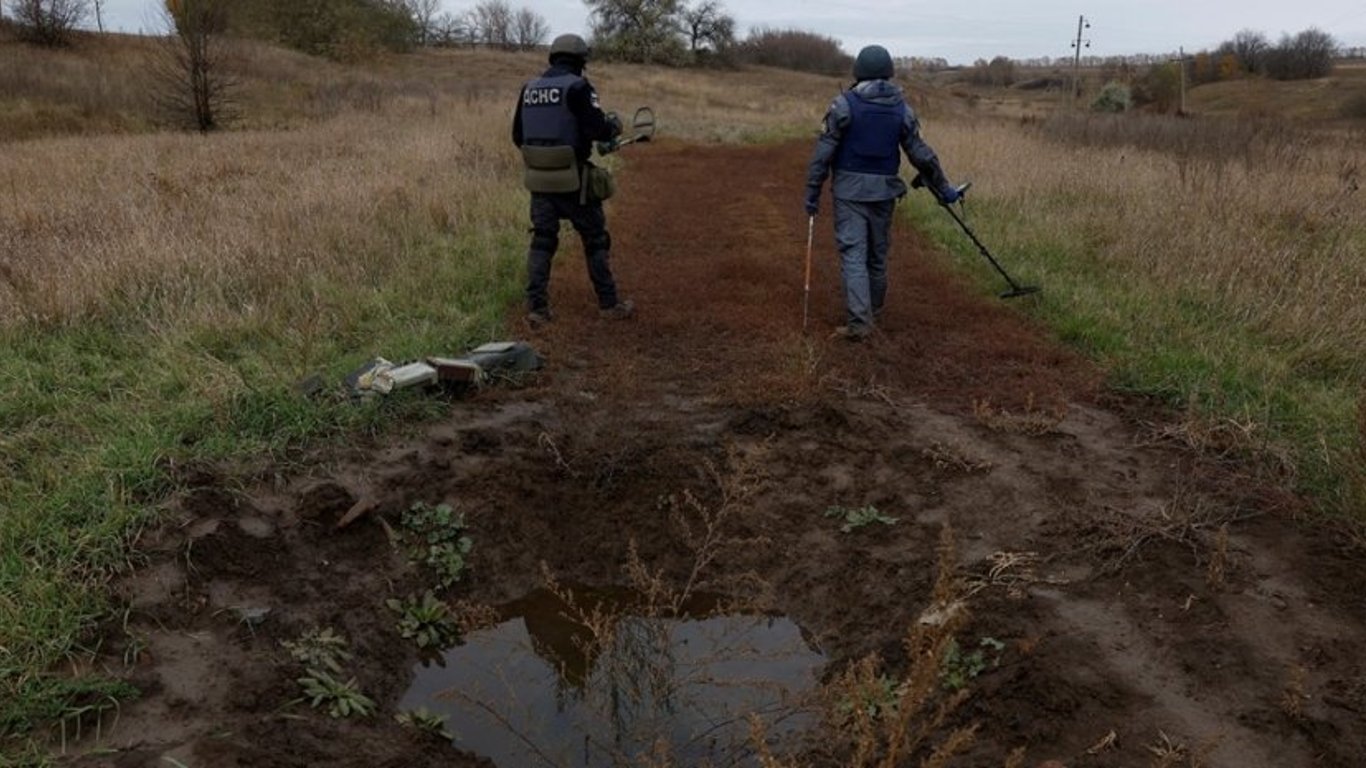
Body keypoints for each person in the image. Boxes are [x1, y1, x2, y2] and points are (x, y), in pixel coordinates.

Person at [804, 45, 961, 341]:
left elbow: (822, 154)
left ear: (858, 71)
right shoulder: (903, 109)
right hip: (884, 193)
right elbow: (922, 155)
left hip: (849, 193)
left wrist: (812, 192)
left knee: (853, 253)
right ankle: (872, 312)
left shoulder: (843, 105)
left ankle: (860, 323)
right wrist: (944, 189)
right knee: (876, 255)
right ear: (889, 72)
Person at [512, 33, 635, 328]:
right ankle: (609, 304)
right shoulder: (579, 87)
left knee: (542, 241)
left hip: (539, 183)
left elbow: (518, 137)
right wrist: (612, 126)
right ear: (581, 60)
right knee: (595, 239)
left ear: (553, 57)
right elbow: (597, 130)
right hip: (574, 181)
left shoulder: (528, 89)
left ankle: (537, 309)